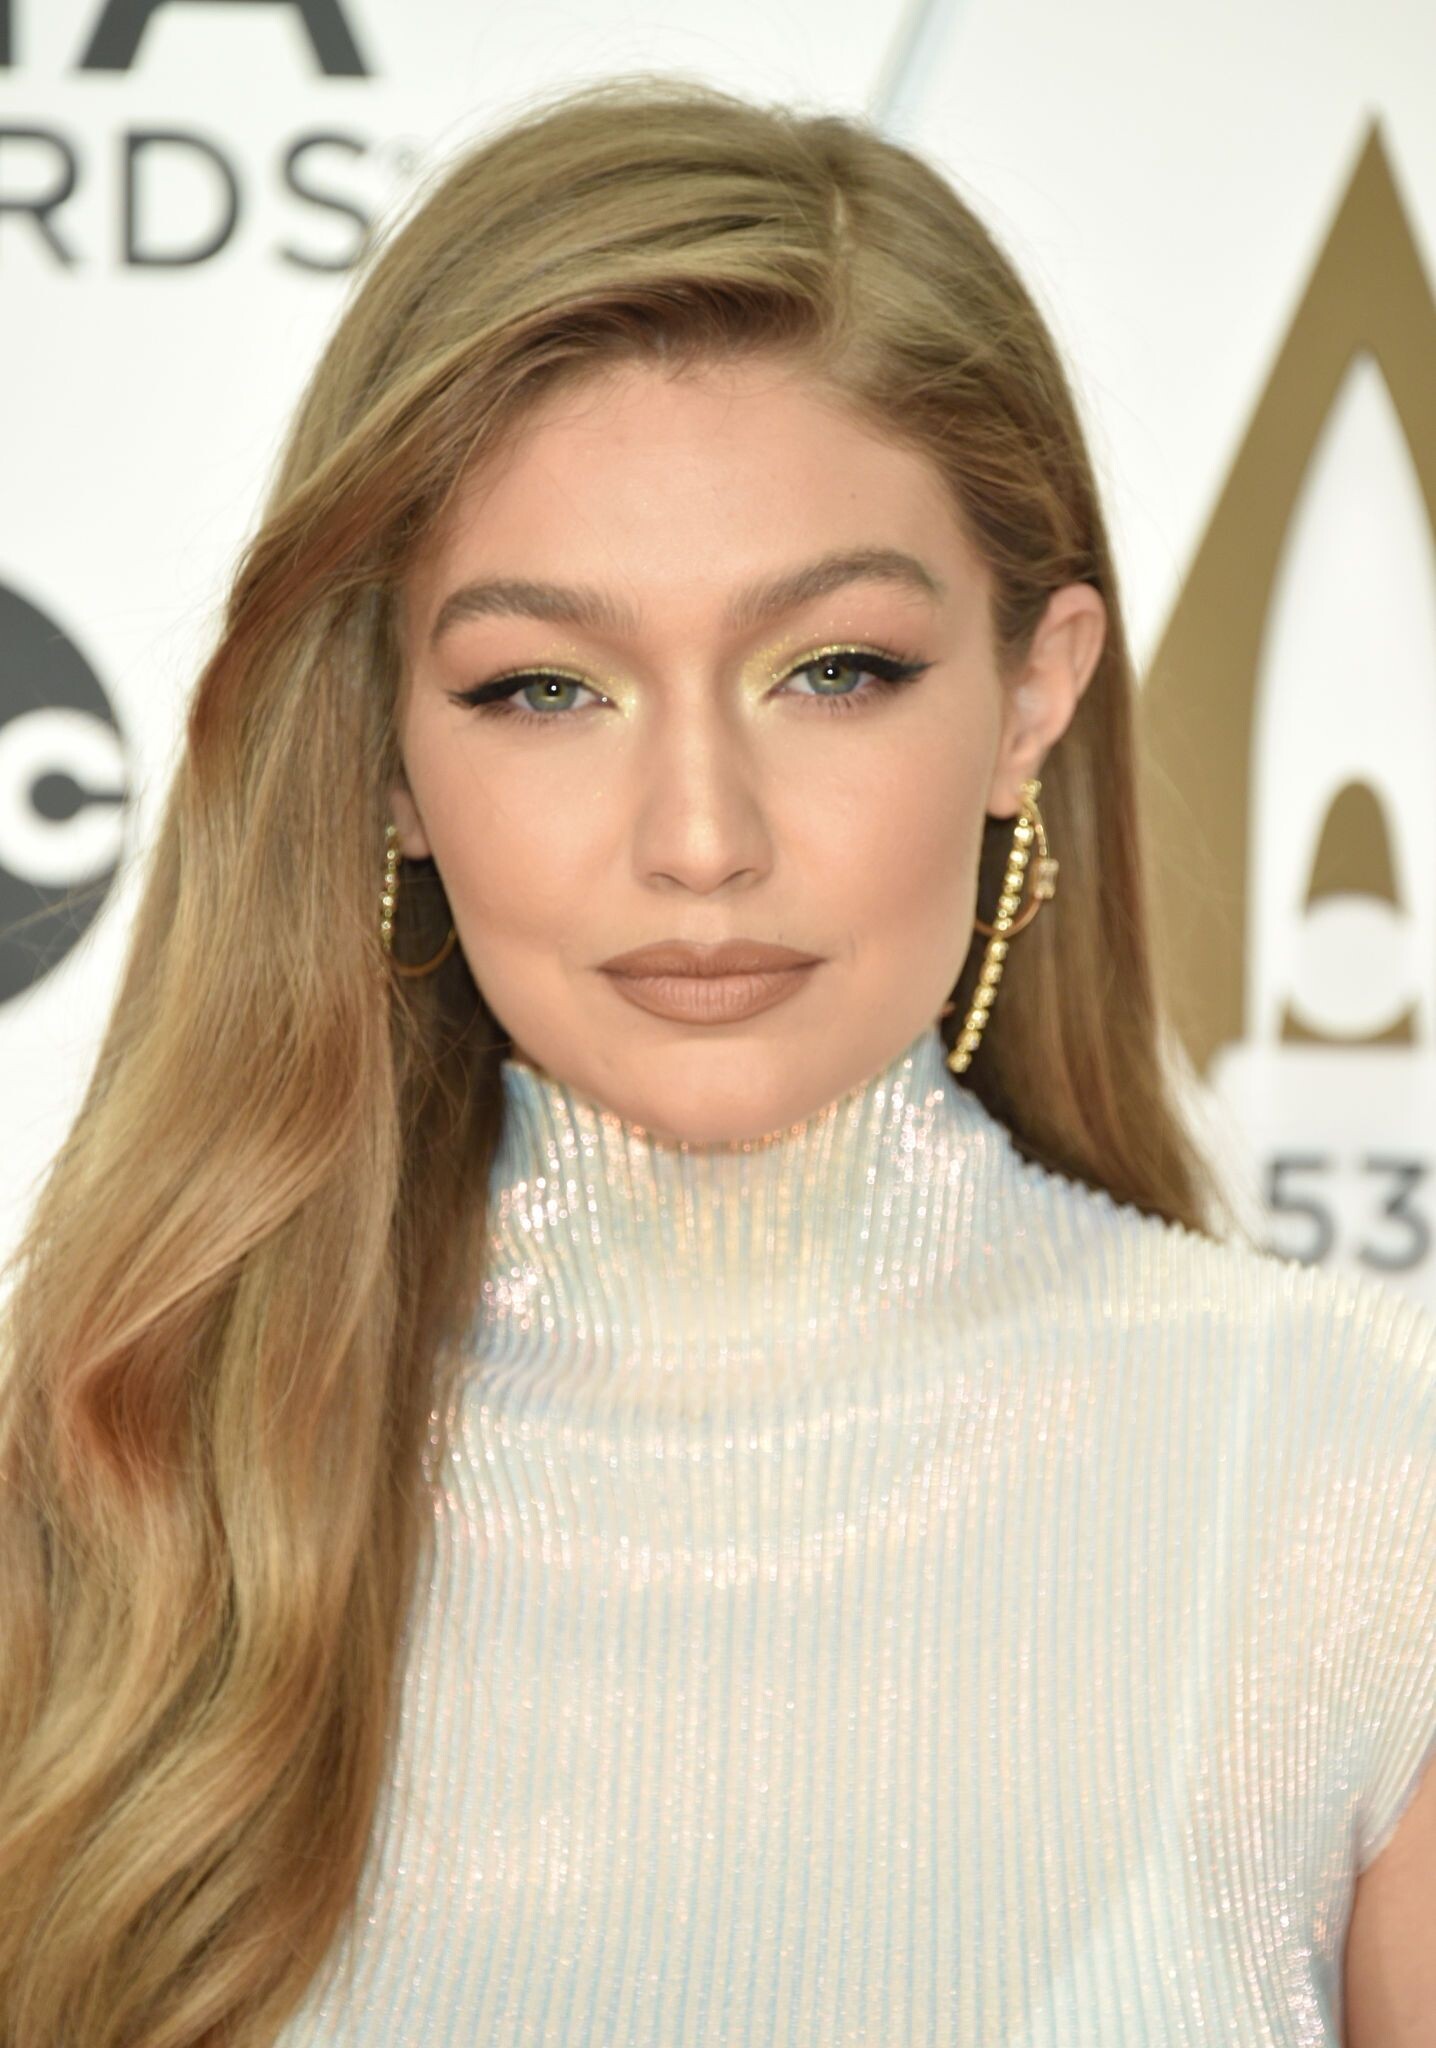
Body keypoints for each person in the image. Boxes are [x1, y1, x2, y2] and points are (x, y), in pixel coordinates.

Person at [0, 72, 1432, 2048]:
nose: (698, 835)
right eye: (544, 687)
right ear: (387, 758)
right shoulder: (102, 1509)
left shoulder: (1364, 1487)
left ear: (1033, 696)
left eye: (833, 670)